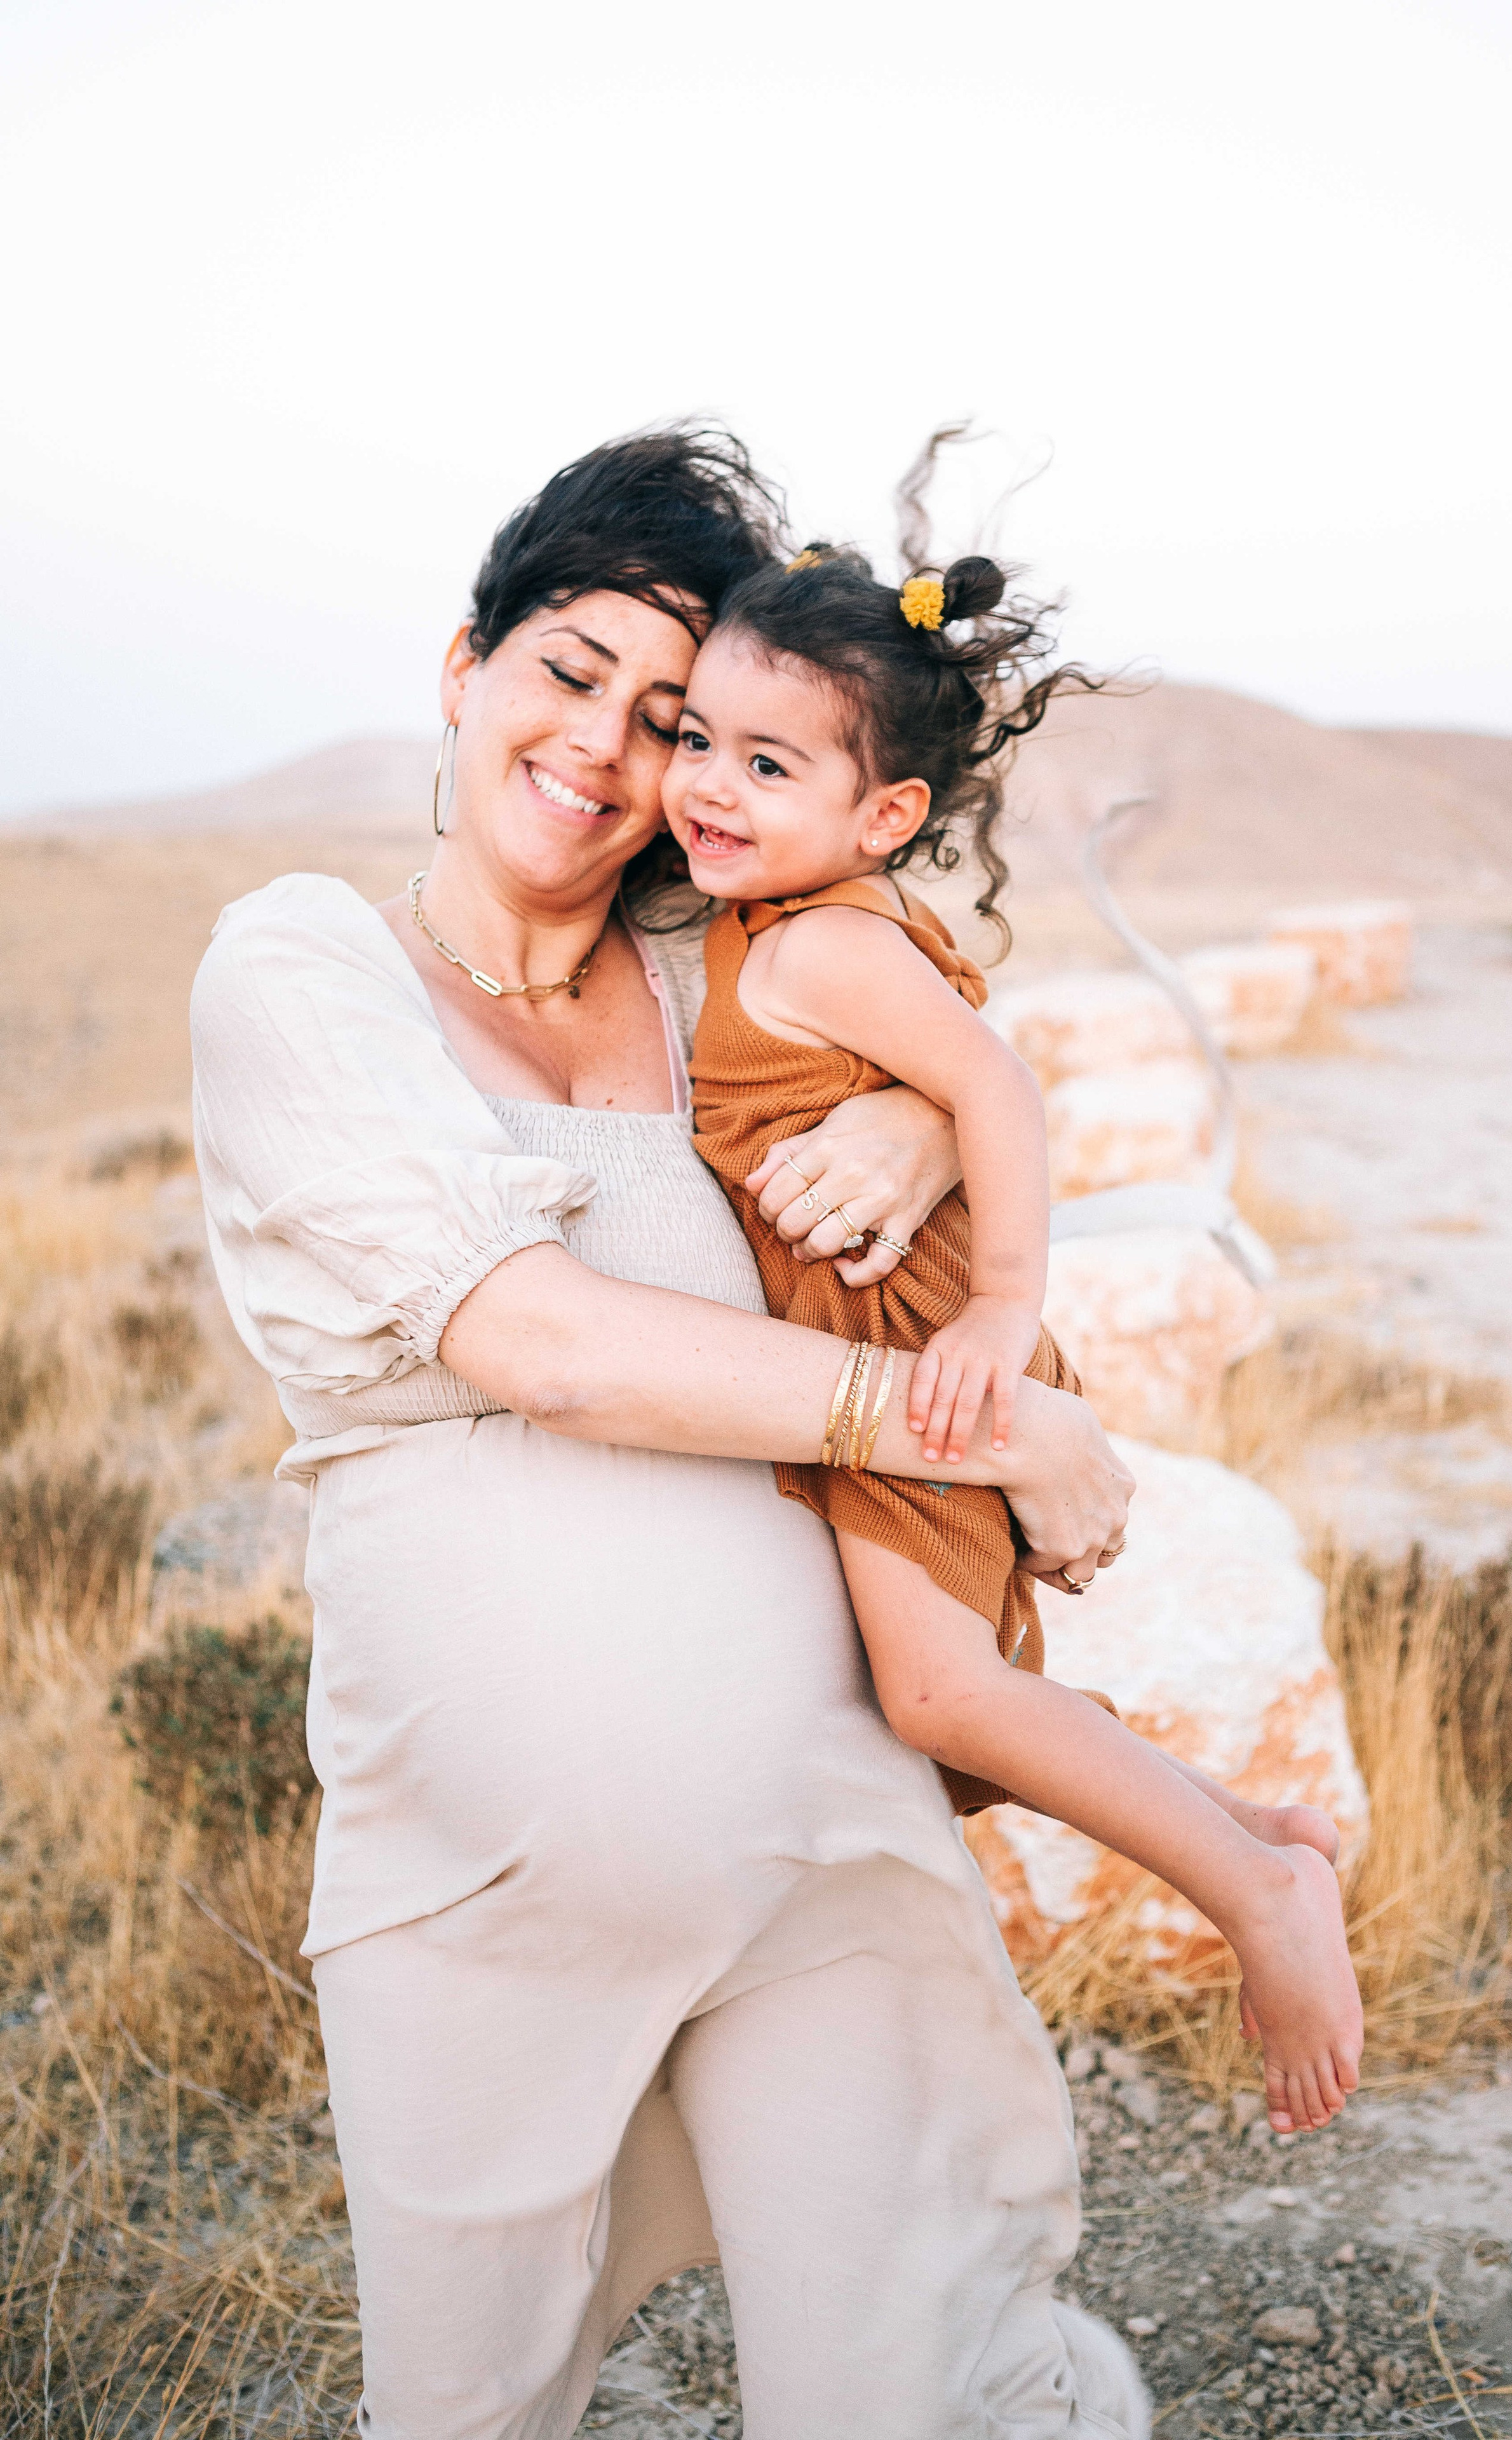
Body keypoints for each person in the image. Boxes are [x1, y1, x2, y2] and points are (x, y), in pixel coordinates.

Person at [190, 426, 1151, 2440]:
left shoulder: (716, 964)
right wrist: (985, 1433)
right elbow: (538, 1342)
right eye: (567, 671)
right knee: (471, 2406)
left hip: (824, 1842)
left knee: (907, 2371)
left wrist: (901, 1122)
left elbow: (939, 1032)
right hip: (476, 1888)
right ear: (465, 666)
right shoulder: (310, 963)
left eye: (667, 714)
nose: (609, 750)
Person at [674, 540, 1364, 2138]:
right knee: (961, 1688)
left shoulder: (812, 943)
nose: (708, 783)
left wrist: (999, 1310)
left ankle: (1254, 1893)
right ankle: (1255, 1823)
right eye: (698, 738)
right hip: (902, 1343)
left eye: (765, 762)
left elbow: (997, 1086)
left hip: (920, 1350)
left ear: (883, 815)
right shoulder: (781, 910)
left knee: (938, 1700)